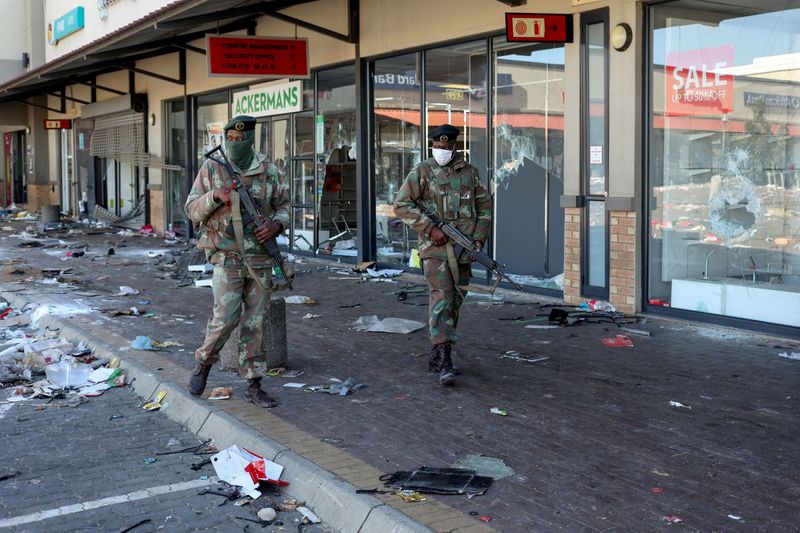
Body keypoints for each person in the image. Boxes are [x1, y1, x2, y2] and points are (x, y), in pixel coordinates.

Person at [185, 115, 290, 408]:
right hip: (227, 256)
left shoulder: (269, 171)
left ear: (251, 139)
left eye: (240, 139)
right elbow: (191, 209)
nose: (234, 143)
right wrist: (215, 197)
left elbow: (285, 207)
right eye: (229, 138)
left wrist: (276, 225)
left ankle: (254, 384)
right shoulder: (212, 168)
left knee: (256, 323)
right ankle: (203, 364)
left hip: (260, 259)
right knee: (225, 318)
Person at [393, 124, 493, 386]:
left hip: (464, 249)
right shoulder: (422, 171)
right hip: (435, 249)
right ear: (432, 146)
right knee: (442, 298)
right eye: (437, 147)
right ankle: (444, 356)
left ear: (455, 147)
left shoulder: (470, 173)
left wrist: (480, 235)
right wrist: (430, 227)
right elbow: (401, 205)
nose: (442, 151)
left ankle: (439, 353)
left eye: (446, 147)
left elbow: (483, 204)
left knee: (455, 301)